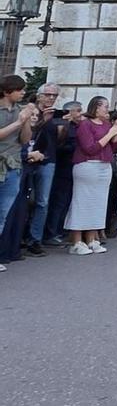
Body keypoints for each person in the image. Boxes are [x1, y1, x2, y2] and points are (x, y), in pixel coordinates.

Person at [65, 97, 117, 254]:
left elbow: (113, 148)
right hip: (87, 165)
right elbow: (90, 148)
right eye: (105, 106)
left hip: (104, 166)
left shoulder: (106, 125)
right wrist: (110, 134)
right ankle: (77, 240)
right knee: (82, 202)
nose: (107, 110)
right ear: (96, 108)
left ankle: (92, 238)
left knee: (99, 203)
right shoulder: (85, 124)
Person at [0, 75, 36, 269]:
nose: (23, 93)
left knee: (3, 213)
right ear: (7, 91)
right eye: (19, 89)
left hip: (14, 167)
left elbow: (25, 140)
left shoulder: (20, 111)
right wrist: (18, 122)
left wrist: (26, 120)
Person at [24, 83, 61, 255]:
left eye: (54, 95)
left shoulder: (56, 115)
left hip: (48, 160)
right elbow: (27, 134)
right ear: (39, 95)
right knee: (22, 199)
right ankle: (19, 235)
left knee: (42, 202)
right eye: (48, 94)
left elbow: (58, 140)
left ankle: (35, 239)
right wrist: (43, 121)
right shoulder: (31, 112)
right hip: (27, 159)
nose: (51, 98)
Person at [43, 101, 84, 244]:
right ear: (69, 112)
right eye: (78, 111)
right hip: (62, 167)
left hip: (72, 168)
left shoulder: (77, 127)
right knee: (58, 201)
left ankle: (60, 230)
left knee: (66, 201)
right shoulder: (60, 125)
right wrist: (75, 147)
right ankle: (51, 233)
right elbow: (57, 147)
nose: (81, 114)